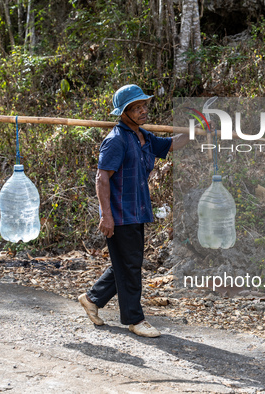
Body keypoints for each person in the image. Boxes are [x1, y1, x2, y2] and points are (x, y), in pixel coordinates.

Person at [78, 84, 188, 337]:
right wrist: (106, 215)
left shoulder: (144, 137)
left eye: (143, 106)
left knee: (127, 264)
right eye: (135, 108)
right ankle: (134, 319)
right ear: (123, 112)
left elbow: (172, 145)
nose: (142, 111)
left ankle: (92, 299)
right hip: (119, 213)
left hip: (137, 210)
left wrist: (195, 132)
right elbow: (101, 178)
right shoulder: (116, 141)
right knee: (130, 266)